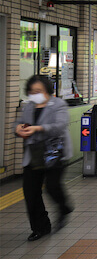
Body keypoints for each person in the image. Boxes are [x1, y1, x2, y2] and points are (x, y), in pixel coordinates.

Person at [14, 75, 73, 241]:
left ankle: (64, 207)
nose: (35, 94)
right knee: (31, 193)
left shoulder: (58, 104)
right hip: (34, 154)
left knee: (52, 187)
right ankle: (40, 227)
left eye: (38, 91)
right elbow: (19, 123)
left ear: (47, 90)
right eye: (32, 91)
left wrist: (38, 128)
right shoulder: (29, 106)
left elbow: (59, 126)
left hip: (55, 153)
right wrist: (18, 128)